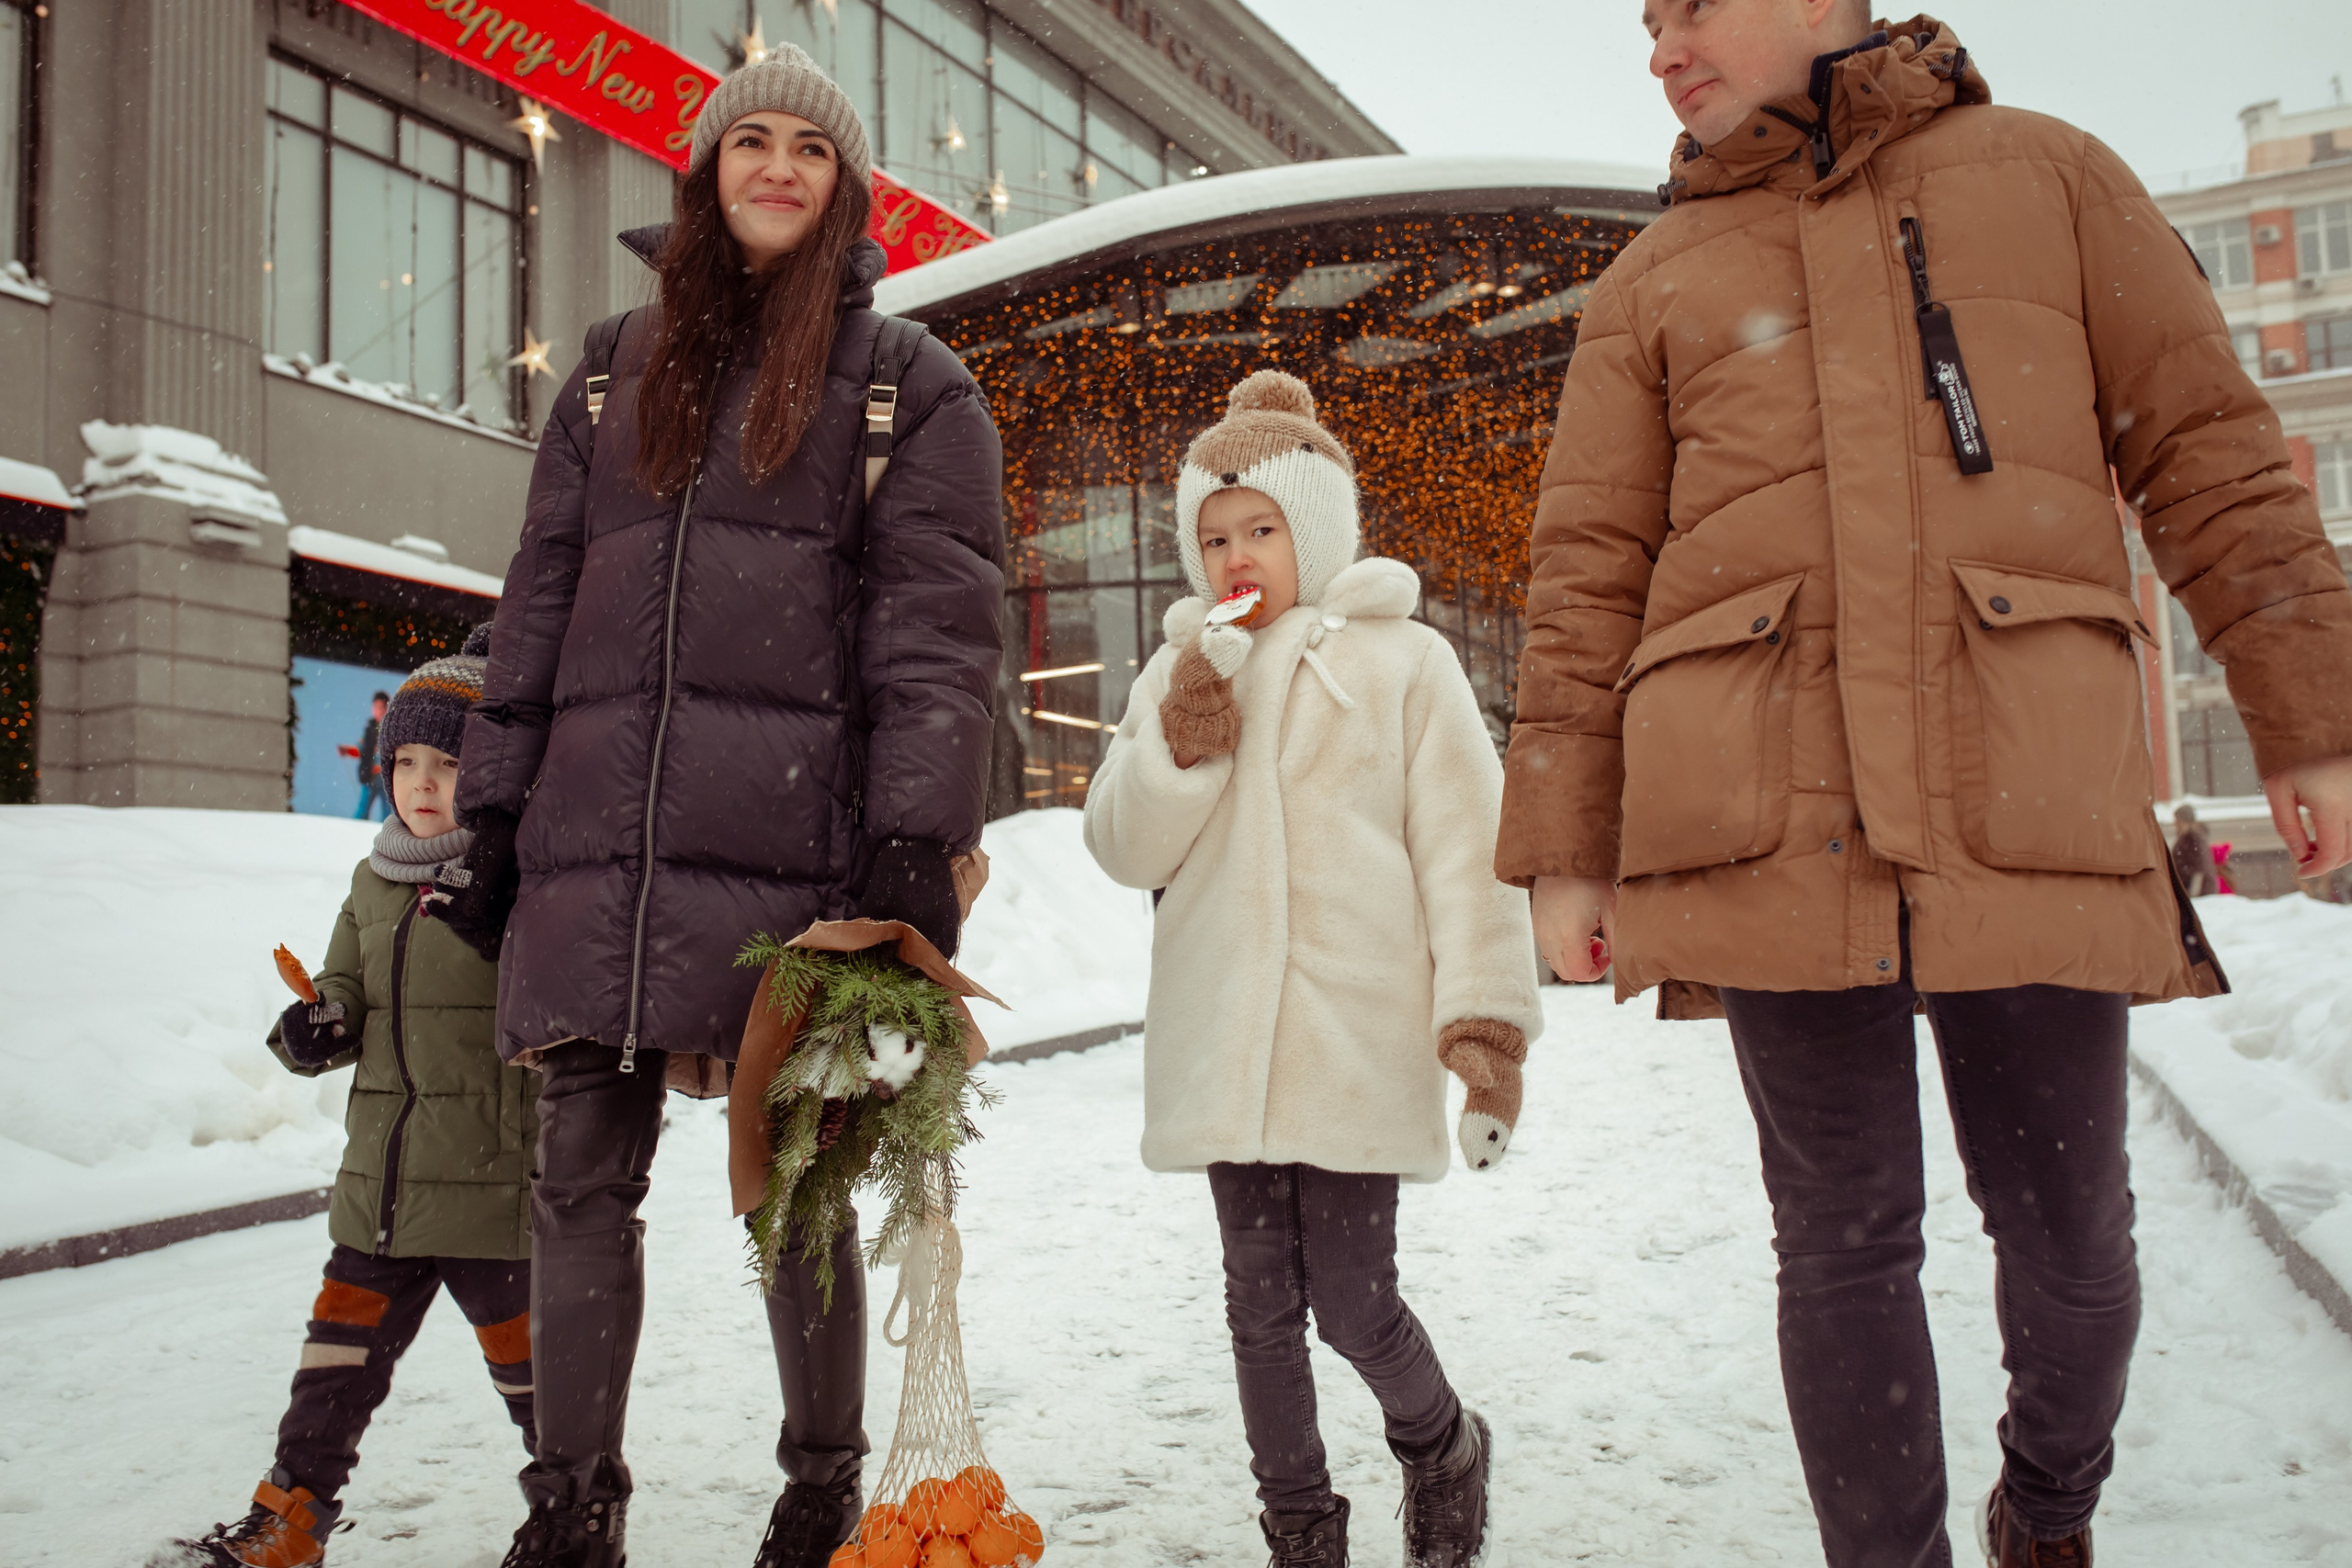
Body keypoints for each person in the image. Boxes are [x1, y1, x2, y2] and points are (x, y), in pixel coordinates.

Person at [1498, 6, 2352, 1567]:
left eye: (1689, 3)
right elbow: (1585, 577)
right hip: (1759, 807)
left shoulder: (2053, 182)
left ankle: (2048, 1505)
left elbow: (2212, 454)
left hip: (2022, 778)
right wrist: (1567, 838)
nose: (1660, 44)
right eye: (1642, 20)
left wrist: (2310, 717)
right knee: (1840, 1243)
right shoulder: (1653, 284)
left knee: (2076, 1246)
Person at [432, 46, 1004, 1568]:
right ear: (703, 169)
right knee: (575, 1174)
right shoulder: (616, 368)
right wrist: (493, 815)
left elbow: (940, 633)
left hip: (798, 838)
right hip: (595, 836)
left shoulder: (907, 384)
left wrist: (911, 834)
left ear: (845, 186)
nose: (773, 167)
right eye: (745, 141)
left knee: (797, 1176)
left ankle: (819, 1486)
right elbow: (537, 603)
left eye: (806, 151)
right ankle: (570, 1509)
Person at [1083, 371, 1543, 1568]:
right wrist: (1187, 730)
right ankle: (1299, 1524)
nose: (1236, 555)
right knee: (1257, 1304)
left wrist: (1484, 1024)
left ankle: (1441, 1439)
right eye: (1214, 535)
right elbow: (1122, 841)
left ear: (1318, 528)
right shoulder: (1184, 666)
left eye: (1262, 529)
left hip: (1354, 1035)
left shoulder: (1402, 660)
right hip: (1223, 1036)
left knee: (1352, 1299)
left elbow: (1467, 850)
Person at [169, 627, 537, 1568]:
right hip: (381, 1188)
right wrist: (316, 1028)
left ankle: (570, 1512)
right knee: (331, 1371)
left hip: (495, 1194)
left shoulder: (517, 884)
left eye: (448, 763)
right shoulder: (373, 881)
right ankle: (290, 1520)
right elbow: (344, 990)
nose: (421, 782)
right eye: (405, 761)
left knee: (540, 1384)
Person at [352, 692, 389, 820]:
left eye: (382, 707)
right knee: (363, 809)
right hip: (370, 777)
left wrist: (381, 767)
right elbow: (359, 749)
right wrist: (347, 751)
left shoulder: (391, 730)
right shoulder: (369, 730)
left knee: (387, 814)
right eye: (376, 707)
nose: (379, 711)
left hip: (386, 779)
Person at [2170, 805, 2216, 897]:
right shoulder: (2186, 837)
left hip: (2198, 892)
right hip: (2189, 888)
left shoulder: (2194, 838)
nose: (2175, 823)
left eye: (2177, 820)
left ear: (2184, 821)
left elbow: (2201, 867)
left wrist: (2193, 893)